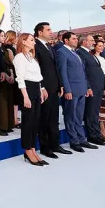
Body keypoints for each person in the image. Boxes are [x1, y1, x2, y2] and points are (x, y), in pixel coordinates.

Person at [56, 32, 97, 153]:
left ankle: (82, 139)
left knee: (79, 116)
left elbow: (82, 72)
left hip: (81, 89)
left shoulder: (75, 52)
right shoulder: (61, 52)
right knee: (70, 116)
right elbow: (62, 73)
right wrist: (67, 89)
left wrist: (87, 87)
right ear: (66, 40)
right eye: (73, 38)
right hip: (71, 90)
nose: (76, 40)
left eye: (76, 38)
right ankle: (74, 141)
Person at [34, 23, 70, 158]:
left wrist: (60, 84)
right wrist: (42, 86)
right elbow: (36, 69)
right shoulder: (35, 46)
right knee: (44, 118)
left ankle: (55, 145)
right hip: (44, 88)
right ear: (40, 32)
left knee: (54, 118)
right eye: (48, 30)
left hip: (54, 87)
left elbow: (56, 67)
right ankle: (45, 147)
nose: (51, 32)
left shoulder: (49, 46)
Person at [13, 33, 47, 166]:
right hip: (26, 89)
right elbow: (20, 78)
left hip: (36, 89)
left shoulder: (32, 58)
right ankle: (27, 150)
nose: (34, 42)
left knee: (35, 121)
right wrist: (25, 97)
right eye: (31, 40)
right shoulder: (19, 57)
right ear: (23, 42)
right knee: (28, 122)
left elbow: (38, 76)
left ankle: (33, 149)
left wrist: (41, 90)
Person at [76, 35, 105, 146]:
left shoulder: (89, 53)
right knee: (90, 112)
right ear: (84, 41)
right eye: (91, 40)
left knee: (95, 112)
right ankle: (92, 135)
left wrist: (103, 86)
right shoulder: (80, 52)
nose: (93, 43)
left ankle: (97, 133)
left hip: (98, 87)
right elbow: (83, 72)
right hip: (92, 87)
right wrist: (88, 87)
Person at [0, 29, 15, 134]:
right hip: (0, 77)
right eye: (1, 36)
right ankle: (1, 126)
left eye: (4, 35)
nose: (3, 37)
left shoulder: (5, 49)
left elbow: (11, 64)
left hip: (9, 77)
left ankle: (8, 125)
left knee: (9, 101)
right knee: (2, 103)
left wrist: (11, 74)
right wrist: (5, 75)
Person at [3, 31, 21, 129]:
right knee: (15, 99)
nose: (17, 39)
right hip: (13, 75)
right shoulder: (9, 49)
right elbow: (14, 63)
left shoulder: (10, 48)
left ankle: (14, 118)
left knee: (15, 99)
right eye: (16, 37)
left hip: (13, 75)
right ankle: (14, 120)